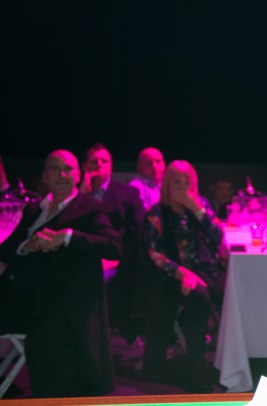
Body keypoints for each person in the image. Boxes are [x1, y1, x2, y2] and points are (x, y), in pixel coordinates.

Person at [0, 149, 122, 397]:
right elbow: (6, 250)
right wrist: (28, 246)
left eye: (68, 169)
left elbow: (114, 247)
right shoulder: (34, 210)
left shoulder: (90, 209)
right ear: (45, 176)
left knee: (52, 347)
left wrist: (67, 237)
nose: (62, 175)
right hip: (24, 298)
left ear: (78, 175)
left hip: (62, 303)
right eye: (55, 169)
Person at [141, 160, 226, 392]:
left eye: (186, 184)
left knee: (232, 291)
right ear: (167, 185)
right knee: (199, 298)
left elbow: (219, 237)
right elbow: (154, 254)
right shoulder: (156, 214)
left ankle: (231, 362)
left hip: (206, 269)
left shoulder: (201, 206)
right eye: (176, 183)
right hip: (172, 273)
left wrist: (196, 210)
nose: (182, 189)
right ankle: (197, 369)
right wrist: (181, 273)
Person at [80, 143, 148, 342]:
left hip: (117, 259)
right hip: (83, 255)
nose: (99, 165)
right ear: (85, 166)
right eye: (94, 161)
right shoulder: (77, 195)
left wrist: (118, 259)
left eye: (104, 161)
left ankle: (95, 333)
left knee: (97, 280)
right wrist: (82, 192)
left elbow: (139, 231)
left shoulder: (127, 193)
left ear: (111, 166)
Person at [129, 147, 166, 211]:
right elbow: (141, 213)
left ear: (164, 165)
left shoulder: (168, 183)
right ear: (139, 167)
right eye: (149, 163)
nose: (154, 166)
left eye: (158, 162)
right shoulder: (134, 187)